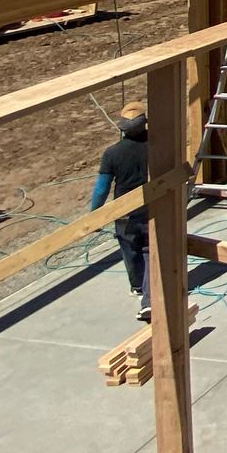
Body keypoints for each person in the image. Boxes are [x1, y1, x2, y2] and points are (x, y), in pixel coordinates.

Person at [92, 101, 152, 320]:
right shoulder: (157, 146)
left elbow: (101, 189)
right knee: (150, 250)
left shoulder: (112, 153)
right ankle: (149, 293)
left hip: (125, 210)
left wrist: (95, 215)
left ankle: (138, 287)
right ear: (145, 123)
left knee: (130, 247)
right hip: (151, 206)